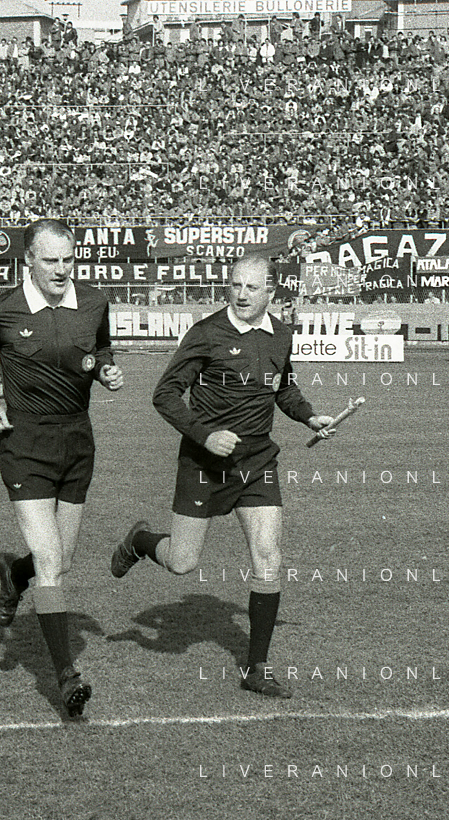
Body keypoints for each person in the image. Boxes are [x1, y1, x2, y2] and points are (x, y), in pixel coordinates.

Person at [110, 255, 336, 699]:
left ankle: (256, 668)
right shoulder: (206, 333)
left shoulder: (281, 334)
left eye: (251, 287)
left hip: (257, 462)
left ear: (271, 291)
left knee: (268, 557)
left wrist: (309, 416)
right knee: (182, 563)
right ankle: (140, 540)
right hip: (204, 464)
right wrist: (206, 435)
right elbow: (165, 394)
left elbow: (284, 387)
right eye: (235, 285)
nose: (241, 294)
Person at [0, 219, 124, 717]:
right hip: (25, 443)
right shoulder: (2, 310)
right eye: (50, 260)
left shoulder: (94, 302)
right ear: (28, 259)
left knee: (61, 558)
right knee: (51, 562)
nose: (61, 269)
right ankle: (66, 674)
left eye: (68, 259)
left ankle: (15, 575)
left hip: (77, 441)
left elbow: (101, 349)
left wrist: (106, 370)